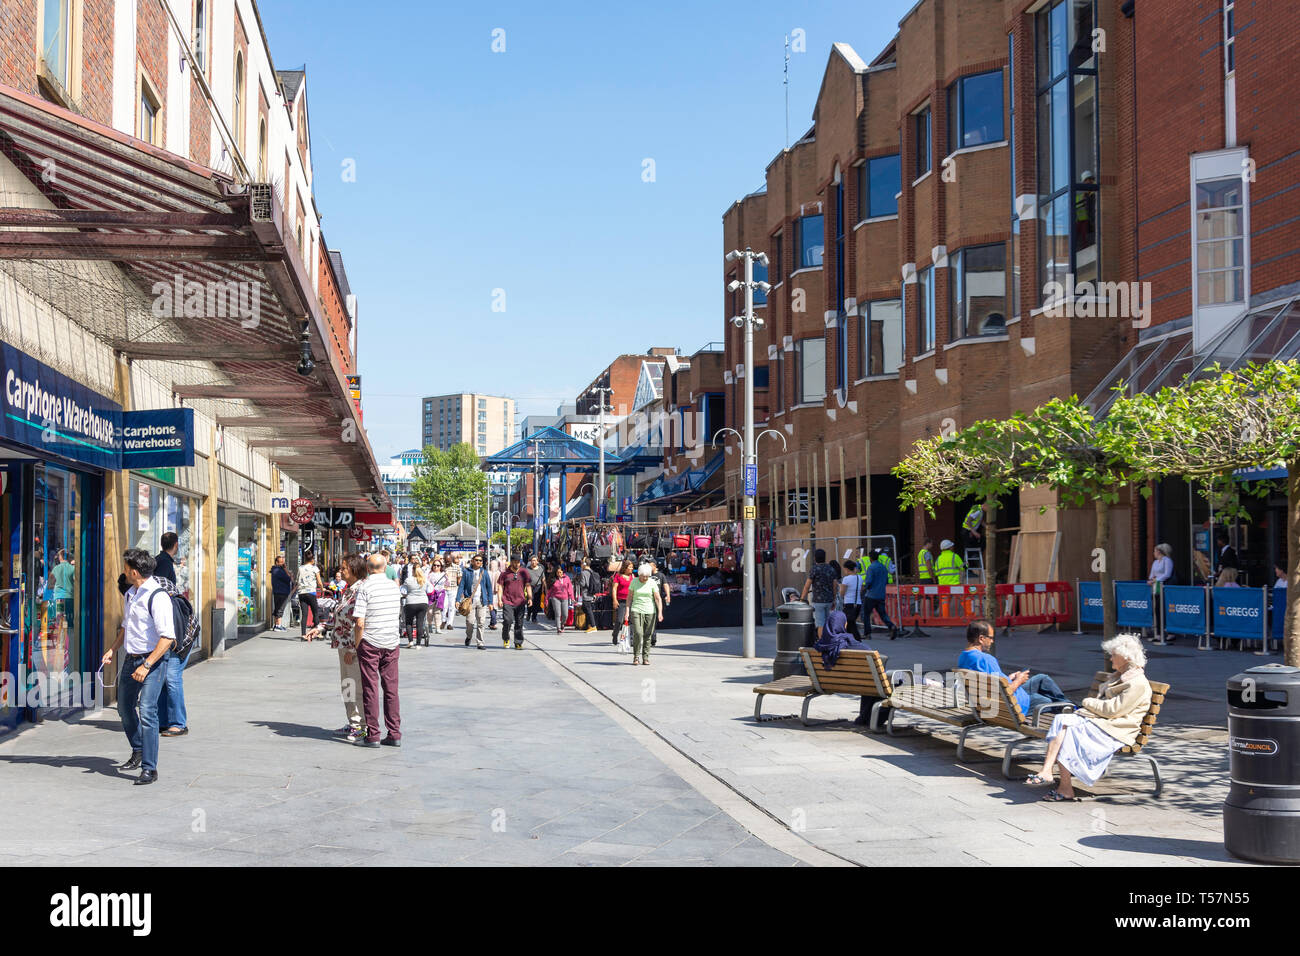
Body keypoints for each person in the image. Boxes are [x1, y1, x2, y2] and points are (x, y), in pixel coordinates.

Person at [1027, 633, 1153, 800]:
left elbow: (1113, 710)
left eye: (1114, 655)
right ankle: (1048, 771)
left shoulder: (1137, 683)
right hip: (1104, 723)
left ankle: (1063, 786)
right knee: (1060, 720)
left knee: (1068, 731)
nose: (1110, 659)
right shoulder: (1120, 676)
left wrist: (1088, 702)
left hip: (1116, 731)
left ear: (1126, 657)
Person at [101, 549, 175, 785]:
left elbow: (167, 638)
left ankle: (149, 768)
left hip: (152, 661)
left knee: (147, 711)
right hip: (131, 659)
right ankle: (139, 748)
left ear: (134, 571)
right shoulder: (131, 594)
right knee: (124, 707)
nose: (123, 571)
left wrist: (147, 664)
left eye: (125, 568)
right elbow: (127, 626)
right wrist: (113, 649)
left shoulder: (157, 596)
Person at [305, 552, 370, 743]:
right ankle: (353, 721)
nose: (340, 571)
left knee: (357, 686)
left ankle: (364, 725)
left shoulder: (361, 590)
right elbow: (338, 617)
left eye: (344, 568)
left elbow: (361, 623)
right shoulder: (348, 590)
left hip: (354, 647)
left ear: (354, 569)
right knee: (347, 685)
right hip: (342, 644)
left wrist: (353, 650)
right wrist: (320, 627)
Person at [958, 618, 1070, 715]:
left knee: (1042, 679)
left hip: (993, 702)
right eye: (991, 638)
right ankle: (1072, 710)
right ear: (981, 638)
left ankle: (1071, 707)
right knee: (1049, 701)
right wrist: (1019, 681)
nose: (992, 641)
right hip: (1014, 705)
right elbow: (1001, 695)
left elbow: (993, 683)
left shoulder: (963, 657)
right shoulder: (986, 659)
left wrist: (1009, 678)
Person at [351, 552, 402, 747]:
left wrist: (358, 644)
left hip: (371, 642)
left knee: (370, 688)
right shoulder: (394, 587)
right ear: (385, 566)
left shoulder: (365, 587)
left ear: (367, 567)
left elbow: (359, 621)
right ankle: (394, 732)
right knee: (391, 689)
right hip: (391, 642)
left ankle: (373, 735)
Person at [627, 563, 664, 665]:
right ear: (639, 574)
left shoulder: (652, 582)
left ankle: (645, 657)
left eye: (647, 576)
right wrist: (627, 611)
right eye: (643, 576)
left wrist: (660, 612)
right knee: (638, 633)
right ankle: (636, 656)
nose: (645, 578)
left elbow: (657, 598)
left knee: (648, 635)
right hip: (636, 609)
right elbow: (629, 597)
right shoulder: (634, 582)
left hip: (650, 611)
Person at [456, 552, 495, 648]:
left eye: (480, 560)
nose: (478, 562)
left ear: (482, 562)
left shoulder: (484, 572)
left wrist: (490, 602)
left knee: (481, 622)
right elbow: (461, 586)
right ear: (472, 561)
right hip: (470, 601)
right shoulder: (467, 572)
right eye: (476, 560)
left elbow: (489, 588)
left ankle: (480, 642)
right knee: (470, 622)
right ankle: (469, 636)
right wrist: (457, 600)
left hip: (482, 601)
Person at [862, 550, 902, 639]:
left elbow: (868, 581)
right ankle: (891, 626)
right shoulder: (883, 567)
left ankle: (867, 633)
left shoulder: (871, 568)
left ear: (870, 558)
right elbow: (886, 580)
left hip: (871, 595)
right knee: (883, 614)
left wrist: (865, 588)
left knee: (866, 614)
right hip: (881, 595)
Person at [799, 549, 839, 634]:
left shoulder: (814, 569)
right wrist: (834, 599)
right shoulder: (831, 569)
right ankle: (827, 641)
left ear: (815, 558)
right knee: (827, 623)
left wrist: (802, 599)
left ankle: (822, 643)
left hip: (818, 601)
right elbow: (834, 586)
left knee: (820, 624)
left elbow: (807, 586)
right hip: (829, 600)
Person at [496, 554, 532, 649]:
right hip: (507, 601)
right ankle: (506, 638)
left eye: (518, 562)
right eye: (515, 562)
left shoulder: (524, 572)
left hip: (520, 601)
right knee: (508, 621)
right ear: (511, 562)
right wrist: (499, 599)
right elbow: (500, 587)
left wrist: (530, 598)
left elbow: (528, 585)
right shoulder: (504, 574)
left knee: (519, 623)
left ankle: (518, 642)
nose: (517, 564)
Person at [399, 559, 429, 648]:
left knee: (409, 622)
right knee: (420, 623)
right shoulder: (424, 580)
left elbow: (403, 591)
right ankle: (418, 644)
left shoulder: (408, 580)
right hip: (423, 602)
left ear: (412, 570)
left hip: (411, 602)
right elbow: (430, 590)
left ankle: (411, 641)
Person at [295, 551, 323, 641]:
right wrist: (322, 588)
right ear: (312, 559)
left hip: (301, 593)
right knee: (315, 612)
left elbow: (297, 580)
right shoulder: (315, 568)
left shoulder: (300, 568)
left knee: (304, 614)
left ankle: (303, 635)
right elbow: (319, 582)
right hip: (311, 592)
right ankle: (317, 633)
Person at [610, 559, 634, 647]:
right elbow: (614, 588)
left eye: (632, 567)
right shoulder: (618, 576)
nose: (631, 568)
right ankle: (615, 634)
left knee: (631, 620)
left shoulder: (633, 576)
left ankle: (631, 638)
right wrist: (615, 600)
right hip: (621, 601)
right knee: (619, 620)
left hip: (631, 600)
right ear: (625, 567)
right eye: (630, 567)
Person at [648, 561, 672, 647]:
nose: (648, 568)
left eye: (650, 566)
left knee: (654, 619)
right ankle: (651, 637)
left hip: (658, 599)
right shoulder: (647, 575)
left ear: (655, 566)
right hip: (648, 599)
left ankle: (653, 638)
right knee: (650, 619)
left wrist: (668, 595)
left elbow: (665, 585)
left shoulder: (661, 575)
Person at [547, 563, 574, 634]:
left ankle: (562, 624)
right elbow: (549, 591)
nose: (559, 574)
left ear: (563, 572)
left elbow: (570, 588)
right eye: (558, 572)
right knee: (557, 613)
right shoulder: (553, 580)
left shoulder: (567, 578)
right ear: (555, 573)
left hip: (565, 598)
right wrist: (546, 600)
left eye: (560, 572)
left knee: (565, 615)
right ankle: (558, 628)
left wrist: (572, 598)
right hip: (555, 598)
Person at [575, 558, 600, 634]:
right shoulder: (592, 571)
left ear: (584, 564)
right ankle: (589, 624)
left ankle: (593, 626)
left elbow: (583, 584)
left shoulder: (583, 573)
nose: (581, 565)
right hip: (591, 593)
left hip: (586, 593)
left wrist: (577, 581)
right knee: (585, 608)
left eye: (582, 563)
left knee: (588, 610)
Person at [840, 559, 863, 638]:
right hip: (858, 603)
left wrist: (841, 587)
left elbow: (842, 593)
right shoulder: (860, 578)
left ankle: (857, 639)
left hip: (849, 603)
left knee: (850, 623)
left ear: (846, 569)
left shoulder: (846, 579)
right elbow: (860, 590)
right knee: (850, 623)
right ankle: (850, 640)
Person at [427, 558, 451, 632]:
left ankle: (438, 628)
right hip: (431, 594)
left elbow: (448, 584)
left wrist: (447, 578)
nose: (436, 567)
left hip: (440, 594)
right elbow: (426, 584)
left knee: (438, 611)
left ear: (441, 566)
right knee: (430, 611)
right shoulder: (429, 574)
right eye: (434, 565)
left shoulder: (443, 575)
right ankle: (430, 625)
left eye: (438, 565)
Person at [270, 555, 293, 631]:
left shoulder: (275, 570)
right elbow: (289, 578)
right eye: (281, 562)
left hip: (278, 591)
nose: (283, 564)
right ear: (277, 562)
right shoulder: (278, 570)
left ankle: (277, 624)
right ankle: (278, 626)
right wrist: (286, 569)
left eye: (283, 562)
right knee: (280, 608)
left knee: (278, 607)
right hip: (282, 591)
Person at [525, 555, 546, 624]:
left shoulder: (540, 569)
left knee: (536, 603)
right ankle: (529, 613)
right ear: (530, 561)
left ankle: (534, 617)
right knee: (530, 601)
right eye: (532, 560)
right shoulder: (527, 569)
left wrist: (544, 588)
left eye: (535, 560)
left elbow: (543, 579)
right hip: (529, 587)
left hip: (538, 587)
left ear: (537, 561)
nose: (533, 562)